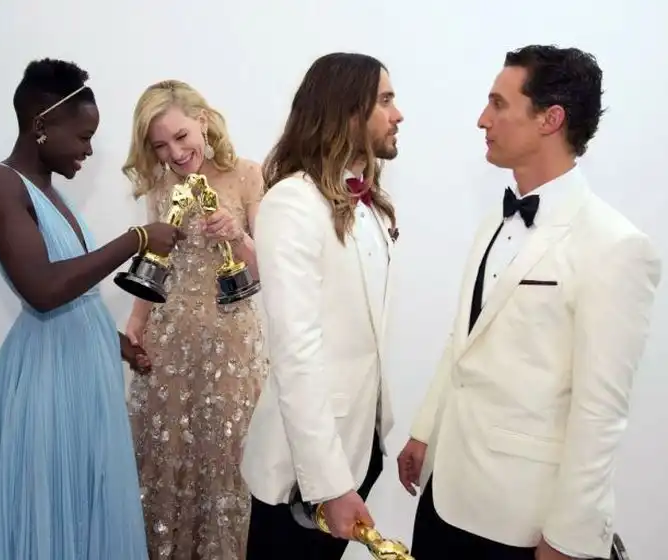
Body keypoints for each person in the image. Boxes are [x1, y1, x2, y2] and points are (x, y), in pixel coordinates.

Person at [397, 45, 662, 560]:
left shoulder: (615, 246)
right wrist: (425, 430)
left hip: (519, 520)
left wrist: (569, 538)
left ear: (550, 119)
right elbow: (463, 339)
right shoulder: (492, 224)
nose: (482, 119)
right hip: (443, 494)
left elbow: (601, 411)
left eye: (498, 104)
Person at [0, 58, 183, 559]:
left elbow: (73, 290)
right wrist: (136, 239)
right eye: (84, 137)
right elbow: (43, 289)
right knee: (52, 518)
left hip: (87, 372)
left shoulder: (52, 193)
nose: (88, 150)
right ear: (42, 123)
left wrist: (116, 343)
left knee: (88, 514)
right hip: (49, 379)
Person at [240, 52, 404, 560]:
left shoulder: (371, 206)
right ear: (347, 112)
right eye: (385, 100)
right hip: (303, 473)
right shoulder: (292, 203)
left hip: (360, 447)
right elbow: (296, 352)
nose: (397, 114)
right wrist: (329, 484)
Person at [121, 79, 269, 560]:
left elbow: (269, 271)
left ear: (203, 121)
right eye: (160, 145)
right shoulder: (161, 186)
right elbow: (156, 263)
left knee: (227, 459)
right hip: (168, 345)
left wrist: (238, 235)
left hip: (230, 346)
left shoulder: (247, 175)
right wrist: (136, 320)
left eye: (181, 136)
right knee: (164, 460)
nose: (175, 153)